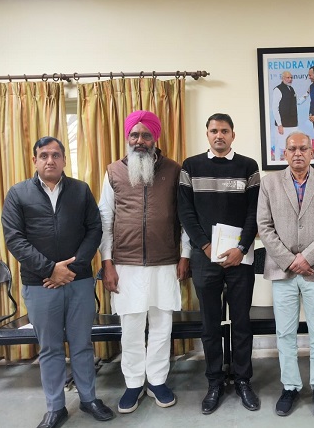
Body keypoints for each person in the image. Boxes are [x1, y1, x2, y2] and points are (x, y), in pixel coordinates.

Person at [2, 137, 114, 428]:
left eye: (55, 155)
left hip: (79, 281)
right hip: (40, 284)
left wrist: (71, 269)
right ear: (35, 160)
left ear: (64, 160)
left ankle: (88, 399)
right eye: (44, 155)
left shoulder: (80, 190)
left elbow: (95, 229)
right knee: (50, 348)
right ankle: (55, 407)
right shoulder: (18, 193)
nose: (50, 160)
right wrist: (51, 270)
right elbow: (14, 239)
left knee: (82, 344)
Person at [98, 110, 190, 414]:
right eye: (134, 135)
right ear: (127, 137)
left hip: (165, 262)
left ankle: (158, 381)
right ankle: (134, 383)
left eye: (146, 135)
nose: (140, 140)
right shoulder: (114, 171)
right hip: (125, 264)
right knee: (132, 328)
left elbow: (185, 217)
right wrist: (107, 263)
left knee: (162, 325)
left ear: (155, 138)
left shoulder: (174, 170)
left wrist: (185, 255)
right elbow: (105, 219)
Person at [178, 113, 261, 415]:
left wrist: (241, 248)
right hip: (205, 258)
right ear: (207, 134)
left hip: (241, 258)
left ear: (233, 135)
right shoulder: (191, 166)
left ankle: (242, 380)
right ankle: (214, 381)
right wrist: (205, 245)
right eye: (214, 130)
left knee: (241, 323)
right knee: (210, 325)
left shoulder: (248, 167)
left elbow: (255, 212)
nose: (219, 135)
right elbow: (185, 212)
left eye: (225, 131)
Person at [257, 131, 314, 419]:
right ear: (285, 153)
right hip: (283, 271)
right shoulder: (269, 183)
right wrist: (291, 261)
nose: (298, 153)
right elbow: (264, 227)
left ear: (312, 152)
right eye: (292, 149)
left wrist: (307, 258)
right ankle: (290, 386)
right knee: (285, 333)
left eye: (303, 148)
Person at [272, 71, 299, 161]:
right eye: (288, 77)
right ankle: (277, 163)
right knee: (280, 146)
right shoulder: (277, 90)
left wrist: (306, 94)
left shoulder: (291, 89)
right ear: (282, 78)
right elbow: (275, 108)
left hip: (293, 124)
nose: (290, 79)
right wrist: (279, 125)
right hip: (283, 125)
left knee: (293, 146)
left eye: (291, 77)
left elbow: (296, 103)